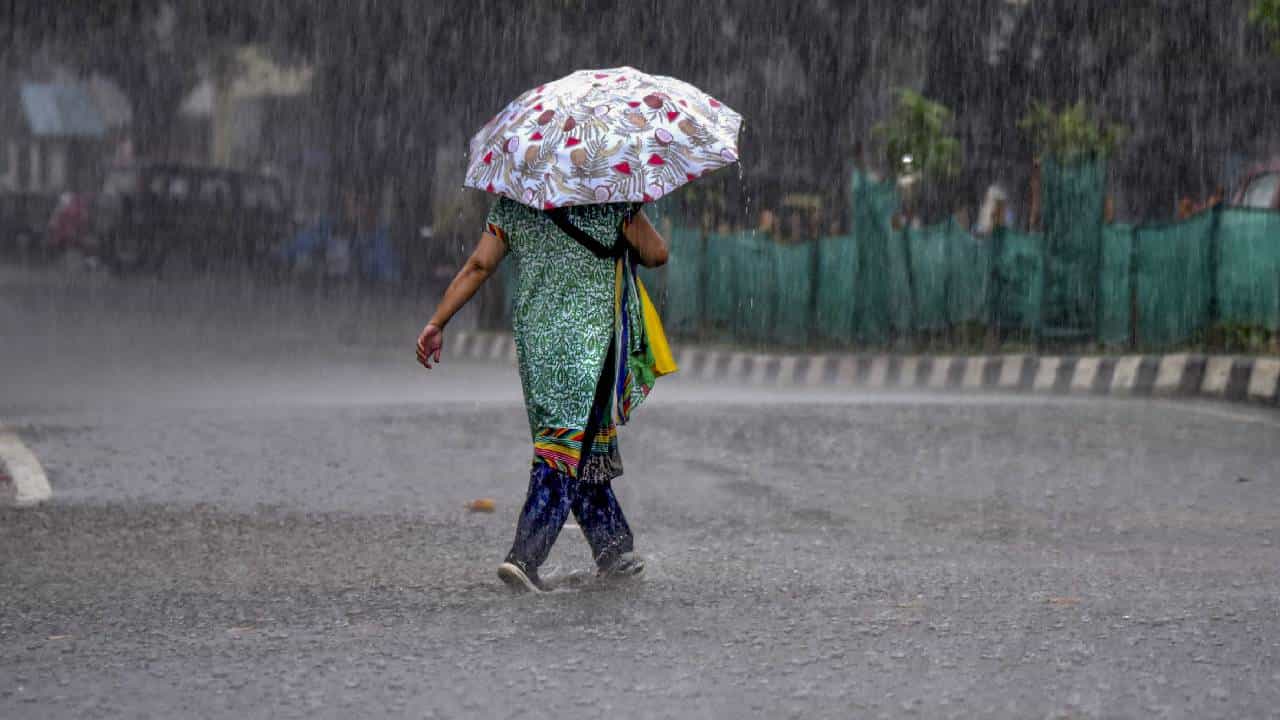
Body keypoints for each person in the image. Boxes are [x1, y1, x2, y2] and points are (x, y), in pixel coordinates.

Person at [416, 197, 669, 593]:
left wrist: (437, 321)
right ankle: (525, 557)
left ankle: (614, 548)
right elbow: (657, 254)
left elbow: (479, 265)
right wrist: (630, 213)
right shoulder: (610, 198)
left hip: (539, 344)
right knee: (564, 447)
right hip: (590, 342)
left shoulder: (514, 202)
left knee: (576, 442)